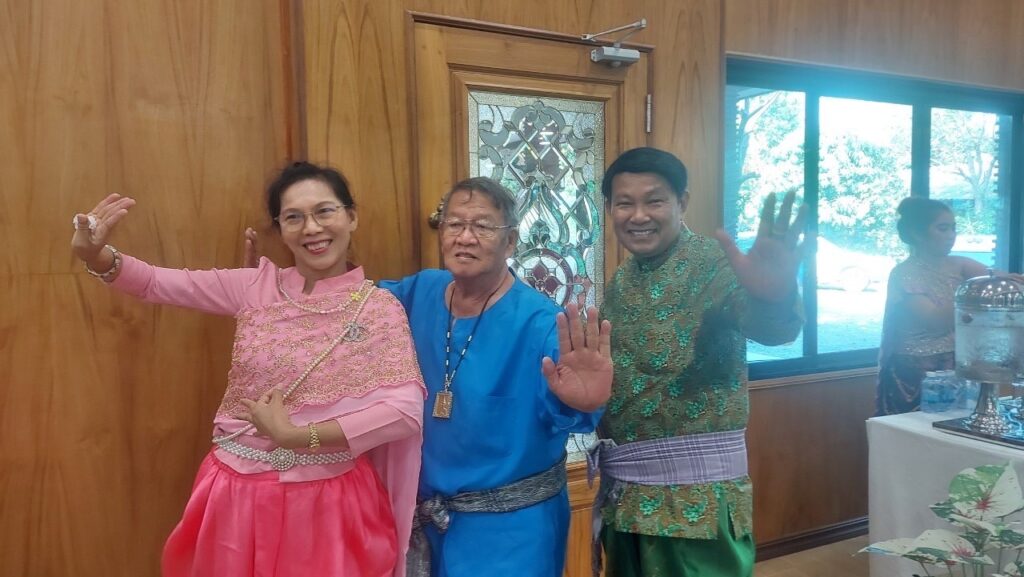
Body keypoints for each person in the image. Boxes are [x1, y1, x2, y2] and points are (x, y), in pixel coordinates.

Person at [71, 162, 426, 577]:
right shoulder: (255, 286)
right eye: (294, 217)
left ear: (351, 217)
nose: (312, 228)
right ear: (281, 228)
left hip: (326, 503)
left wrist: (298, 436)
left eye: (324, 211)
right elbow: (154, 282)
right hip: (234, 495)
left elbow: (404, 412)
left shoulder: (378, 309)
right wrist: (95, 255)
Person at [248, 176, 613, 577]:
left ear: (510, 242)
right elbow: (339, 309)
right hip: (421, 522)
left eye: (482, 226)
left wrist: (583, 404)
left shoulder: (543, 323)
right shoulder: (417, 292)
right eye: (454, 224)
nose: (465, 237)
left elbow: (572, 411)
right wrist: (275, 287)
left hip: (512, 533)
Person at [590, 147, 805, 577]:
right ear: (610, 209)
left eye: (654, 201)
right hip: (626, 496)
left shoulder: (715, 264)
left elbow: (771, 329)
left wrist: (776, 296)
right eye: (625, 203)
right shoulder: (622, 278)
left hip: (696, 505)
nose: (638, 216)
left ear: (682, 202)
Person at [876, 196, 989, 415]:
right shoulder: (904, 272)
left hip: (955, 360)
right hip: (917, 369)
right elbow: (934, 320)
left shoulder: (959, 264)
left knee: (959, 423)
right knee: (920, 429)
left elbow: (1000, 280)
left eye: (953, 228)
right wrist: (973, 293)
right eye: (943, 229)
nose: (951, 235)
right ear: (917, 234)